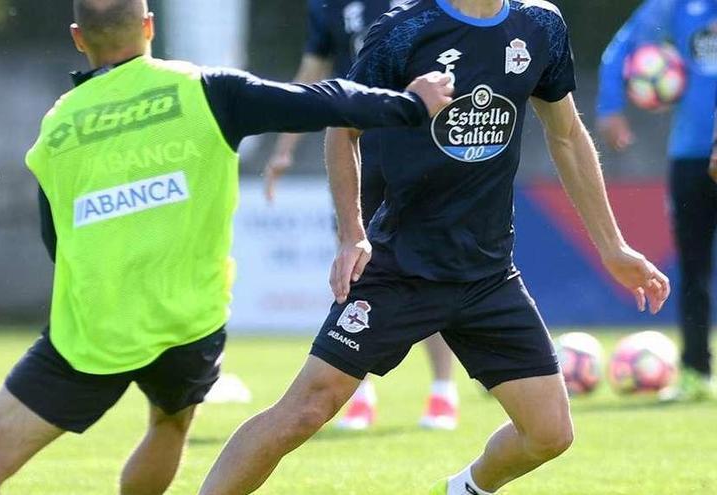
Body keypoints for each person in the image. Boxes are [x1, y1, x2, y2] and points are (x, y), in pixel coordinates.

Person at [0, 1, 448, 494]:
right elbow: (325, 100)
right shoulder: (205, 89)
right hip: (188, 326)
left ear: (78, 37)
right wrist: (410, 105)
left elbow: (55, 238)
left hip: (94, 329)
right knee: (167, 426)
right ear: (148, 27)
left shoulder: (57, 125)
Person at [199, 0, 671, 494]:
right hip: (400, 267)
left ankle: (462, 489)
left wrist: (613, 247)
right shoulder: (405, 31)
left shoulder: (539, 26)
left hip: (487, 275)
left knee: (550, 433)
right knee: (305, 410)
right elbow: (344, 128)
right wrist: (351, 234)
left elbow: (568, 135)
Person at [264, 0, 460, 432]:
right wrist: (283, 149)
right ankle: (359, 392)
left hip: (420, 152)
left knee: (430, 271)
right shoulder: (327, 6)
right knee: (357, 273)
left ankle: (444, 391)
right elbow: (311, 71)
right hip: (358, 154)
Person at [597, 0, 717, 402]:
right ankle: (696, 371)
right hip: (689, 156)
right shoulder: (672, 6)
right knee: (693, 267)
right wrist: (610, 106)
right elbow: (622, 47)